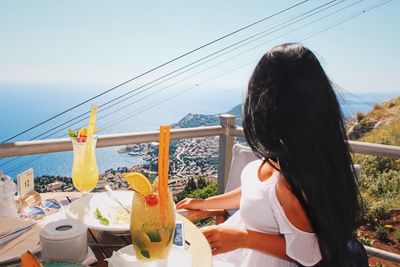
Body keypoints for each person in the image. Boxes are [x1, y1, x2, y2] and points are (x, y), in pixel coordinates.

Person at [177, 43, 367, 267]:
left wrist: (241, 238)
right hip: (239, 256)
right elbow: (254, 192)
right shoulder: (292, 151)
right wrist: (205, 203)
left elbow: (310, 253)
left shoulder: (293, 179)